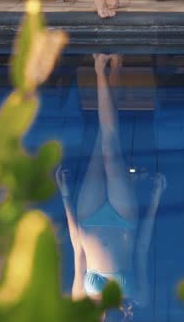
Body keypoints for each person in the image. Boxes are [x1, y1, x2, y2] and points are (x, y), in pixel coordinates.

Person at [55, 54, 166, 318]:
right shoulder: (137, 300)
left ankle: (114, 68)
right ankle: (99, 68)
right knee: (108, 146)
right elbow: (142, 248)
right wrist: (156, 199)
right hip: (123, 219)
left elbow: (77, 249)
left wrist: (65, 195)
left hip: (87, 217)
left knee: (102, 140)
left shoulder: (80, 301)